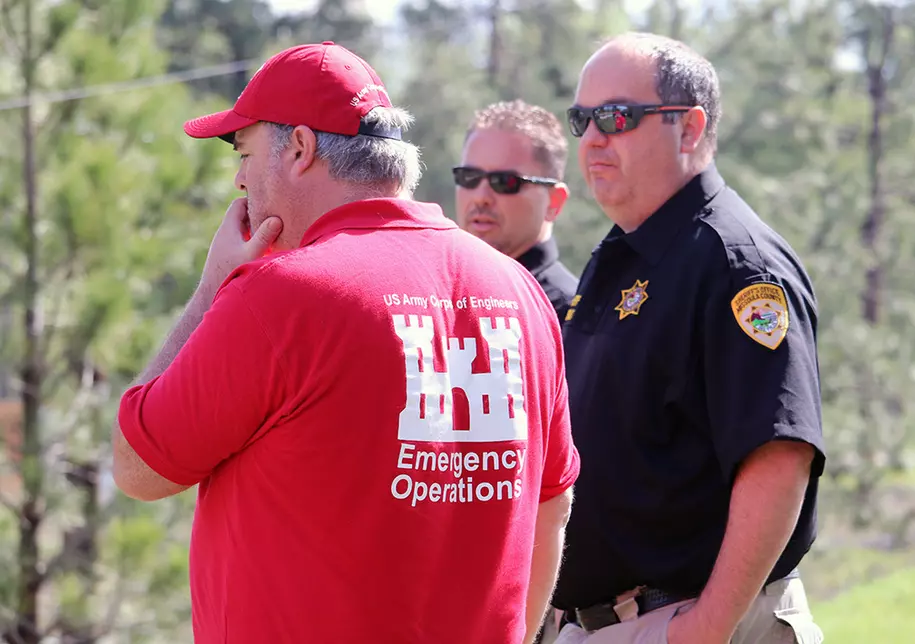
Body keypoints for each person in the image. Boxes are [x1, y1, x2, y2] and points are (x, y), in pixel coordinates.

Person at [111, 41, 579, 644]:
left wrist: (210, 290)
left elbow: (138, 467)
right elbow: (551, 505)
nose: (239, 177)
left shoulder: (278, 296)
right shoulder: (518, 290)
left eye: (245, 151)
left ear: (300, 149)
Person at [550, 32, 826, 644]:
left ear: (690, 128)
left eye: (617, 116)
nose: (593, 137)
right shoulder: (626, 253)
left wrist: (706, 627)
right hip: (611, 623)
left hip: (696, 620)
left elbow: (778, 457)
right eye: (582, 119)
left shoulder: (737, 265)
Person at [455, 99, 579, 319]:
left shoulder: (569, 316)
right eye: (469, 178)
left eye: (504, 182)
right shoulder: (440, 301)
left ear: (554, 201)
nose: (481, 197)